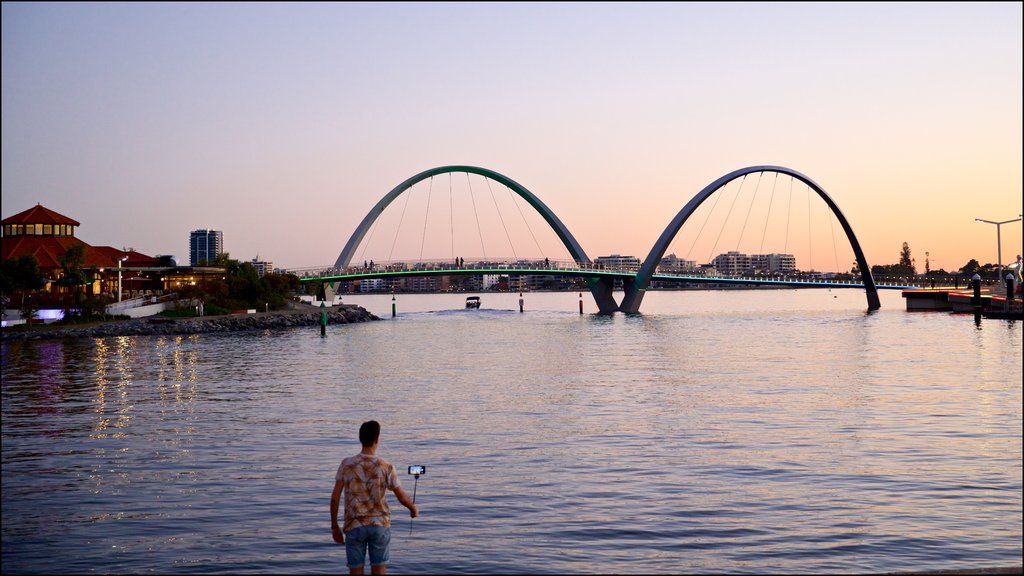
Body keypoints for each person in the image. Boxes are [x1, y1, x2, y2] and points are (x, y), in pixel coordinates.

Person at [331, 421, 418, 575]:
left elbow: (335, 498)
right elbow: (402, 497)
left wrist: (334, 526)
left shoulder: (346, 464)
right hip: (379, 525)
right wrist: (413, 509)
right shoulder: (386, 466)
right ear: (377, 439)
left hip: (354, 525)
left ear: (360, 438)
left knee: (355, 572)